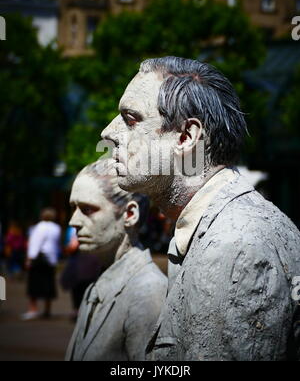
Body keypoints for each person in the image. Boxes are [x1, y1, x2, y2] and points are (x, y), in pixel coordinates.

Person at [101, 56, 300, 361]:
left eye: (130, 119)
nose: (108, 132)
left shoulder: (235, 244)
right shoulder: (213, 229)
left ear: (186, 137)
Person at [65, 159, 167, 361]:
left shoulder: (148, 292)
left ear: (130, 214)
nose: (73, 221)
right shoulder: (95, 287)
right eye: (73, 208)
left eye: (87, 209)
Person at [22, 208, 61, 321]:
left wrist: (29, 259)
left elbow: (35, 243)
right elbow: (56, 244)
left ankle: (32, 309)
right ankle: (47, 310)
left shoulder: (39, 227)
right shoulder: (56, 228)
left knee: (34, 284)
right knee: (48, 284)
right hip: (51, 259)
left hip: (39, 259)